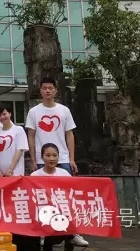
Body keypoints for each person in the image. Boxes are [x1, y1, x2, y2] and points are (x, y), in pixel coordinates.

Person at [26, 77, 87, 247]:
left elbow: (69, 134)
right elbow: (31, 136)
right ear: (40, 91)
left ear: (55, 90)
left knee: (67, 198)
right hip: (41, 161)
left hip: (63, 160)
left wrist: (71, 158)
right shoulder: (34, 112)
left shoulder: (64, 110)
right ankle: (42, 231)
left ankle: (73, 232)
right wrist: (33, 159)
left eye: (50, 88)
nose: (47, 90)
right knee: (42, 198)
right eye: (44, 88)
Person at [31, 143, 76, 251]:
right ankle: (43, 237)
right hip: (43, 211)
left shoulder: (64, 174)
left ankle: (73, 235)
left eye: (55, 155)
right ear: (42, 157)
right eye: (48, 155)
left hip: (61, 210)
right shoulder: (35, 176)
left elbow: (71, 192)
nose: (52, 158)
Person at [0, 105, 28, 177]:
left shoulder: (19, 130)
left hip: (15, 170)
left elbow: (20, 150)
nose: (2, 117)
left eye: (4, 114)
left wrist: (10, 170)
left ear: (10, 114)